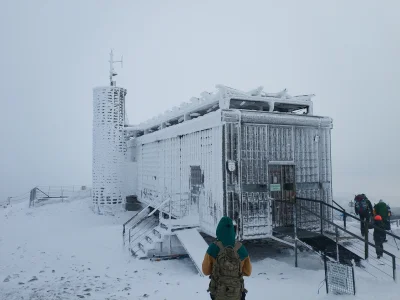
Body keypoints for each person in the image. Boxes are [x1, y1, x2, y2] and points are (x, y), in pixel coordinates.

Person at [202, 217, 252, 300]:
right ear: (233, 230)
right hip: (237, 293)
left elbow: (205, 271)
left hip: (218, 292)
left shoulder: (212, 248)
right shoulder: (241, 248)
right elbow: (248, 272)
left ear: (219, 230)